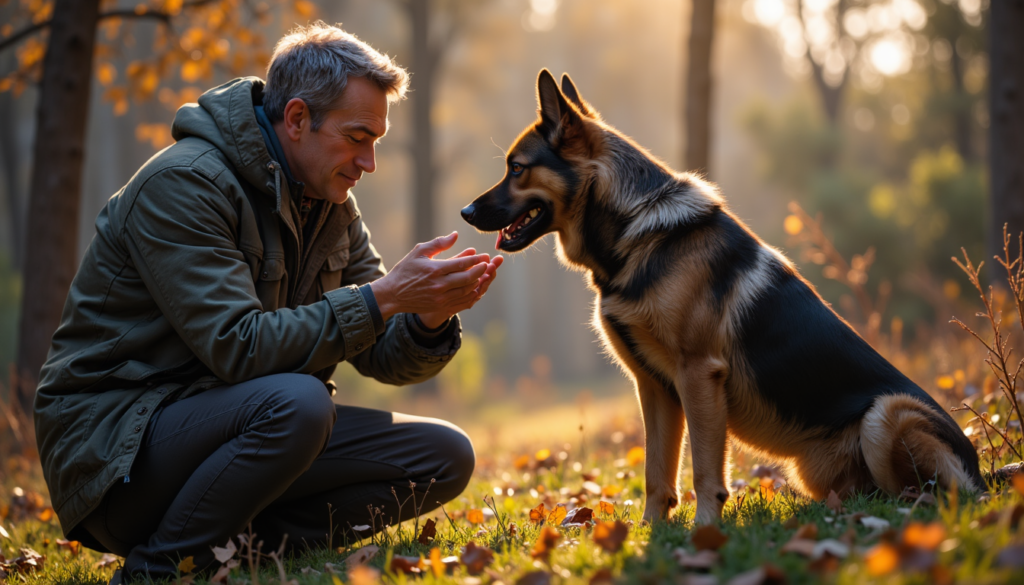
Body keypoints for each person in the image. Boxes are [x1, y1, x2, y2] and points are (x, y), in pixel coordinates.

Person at [33, 22, 502, 582]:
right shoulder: (184, 185)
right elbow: (238, 348)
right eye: (358, 137)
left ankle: (244, 552)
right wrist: (385, 296)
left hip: (249, 433)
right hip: (116, 454)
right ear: (298, 118)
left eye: (376, 141)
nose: (369, 161)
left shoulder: (330, 204)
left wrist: (426, 314)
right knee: (301, 403)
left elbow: (383, 355)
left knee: (444, 455)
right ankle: (160, 569)